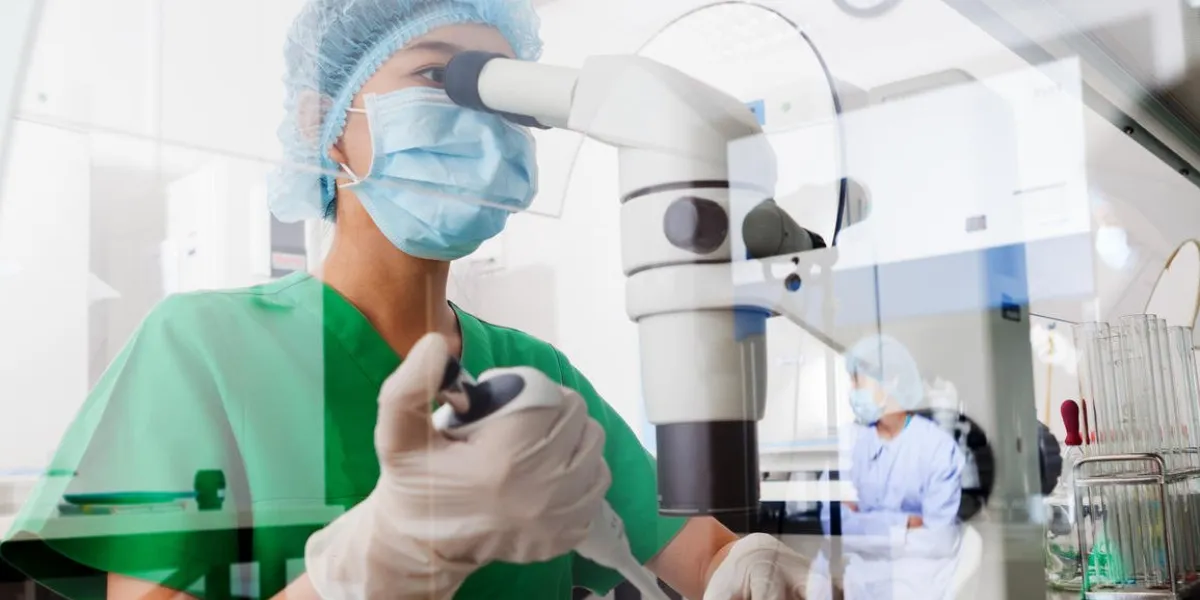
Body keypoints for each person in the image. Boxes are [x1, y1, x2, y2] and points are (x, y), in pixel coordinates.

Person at [1, 0, 813, 598]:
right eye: (438, 75)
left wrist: (745, 566)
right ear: (324, 123)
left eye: (502, 96)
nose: (479, 118)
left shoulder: (537, 374)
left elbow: (699, 554)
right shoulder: (200, 348)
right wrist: (384, 557)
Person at [806, 334, 964, 600]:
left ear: (892, 380)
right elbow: (833, 523)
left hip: (914, 577)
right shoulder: (849, 442)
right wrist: (903, 525)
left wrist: (862, 521)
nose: (851, 390)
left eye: (857, 380)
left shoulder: (936, 447)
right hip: (854, 570)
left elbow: (937, 540)